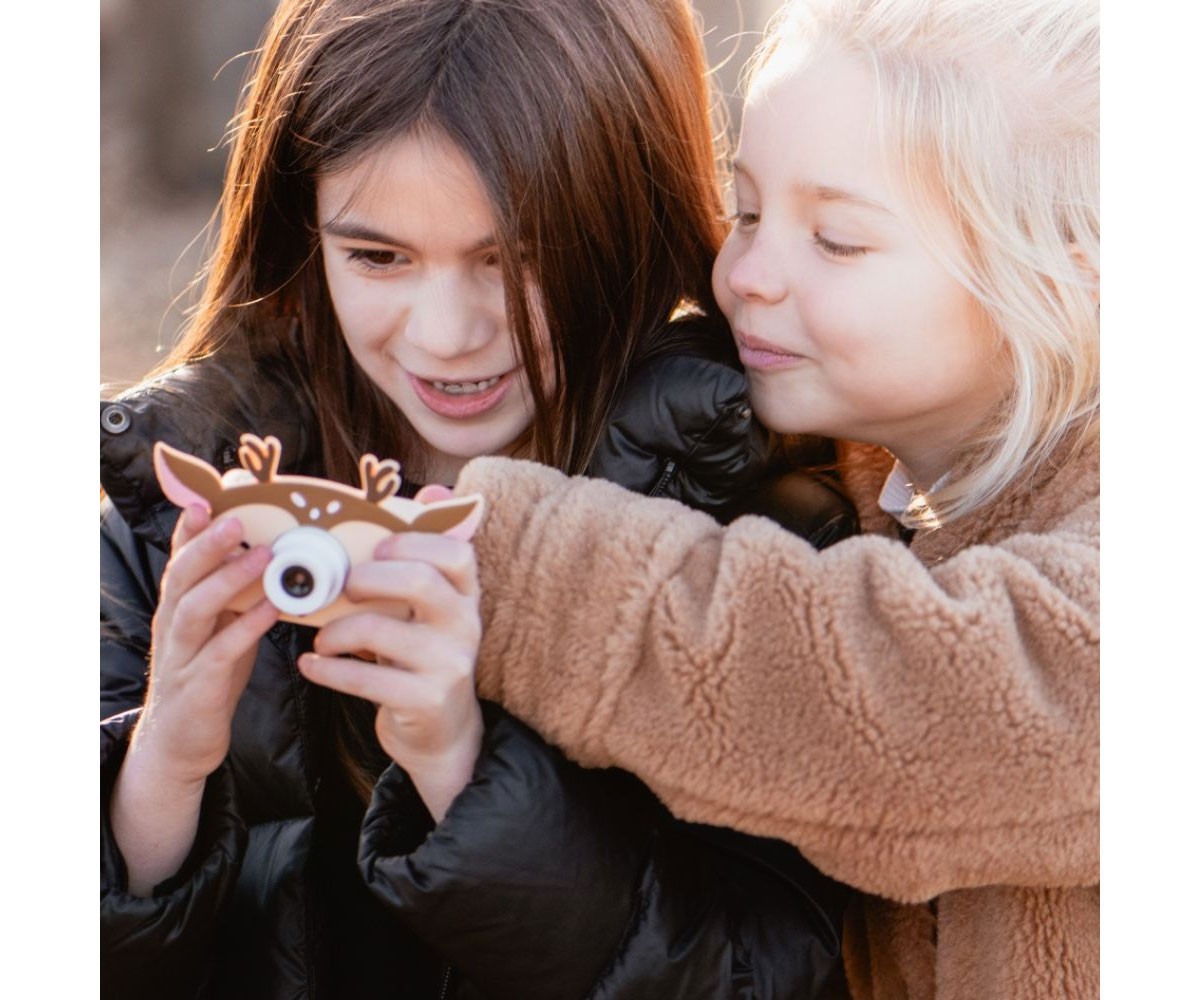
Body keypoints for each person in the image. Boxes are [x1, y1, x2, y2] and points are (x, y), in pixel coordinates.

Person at [100, 1, 858, 997]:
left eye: (518, 257)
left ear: (630, 217)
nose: (447, 333)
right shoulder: (172, 504)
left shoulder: (765, 534)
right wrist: (162, 771)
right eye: (377, 256)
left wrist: (466, 773)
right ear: (301, 228)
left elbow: (781, 972)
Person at [447, 1, 1101, 998]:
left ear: (1067, 276)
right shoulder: (882, 482)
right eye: (746, 210)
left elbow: (921, 701)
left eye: (836, 240)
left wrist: (516, 566)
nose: (745, 276)